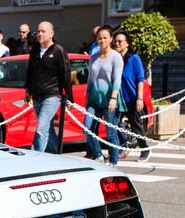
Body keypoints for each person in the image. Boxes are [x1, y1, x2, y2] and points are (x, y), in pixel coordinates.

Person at [24, 21, 74, 154]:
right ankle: (55, 154)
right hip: (37, 97)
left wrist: (69, 97)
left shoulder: (59, 51)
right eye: (38, 31)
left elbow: (66, 75)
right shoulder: (34, 50)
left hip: (52, 96)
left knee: (41, 128)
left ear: (51, 34)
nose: (40, 34)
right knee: (48, 128)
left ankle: (36, 157)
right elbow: (30, 71)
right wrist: (27, 89)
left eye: (43, 31)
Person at [83, 25, 125, 166]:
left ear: (111, 39)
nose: (102, 41)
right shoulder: (93, 57)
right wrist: (87, 96)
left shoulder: (116, 57)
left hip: (110, 99)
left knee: (111, 132)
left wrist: (113, 98)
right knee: (87, 127)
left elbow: (117, 79)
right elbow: (90, 79)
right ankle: (99, 155)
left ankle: (113, 161)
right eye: (99, 38)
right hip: (95, 98)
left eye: (105, 38)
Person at [113, 31, 150, 162]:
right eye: (115, 41)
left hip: (131, 98)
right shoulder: (115, 58)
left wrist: (139, 98)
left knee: (136, 126)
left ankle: (144, 149)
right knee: (115, 124)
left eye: (120, 41)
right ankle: (122, 147)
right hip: (118, 98)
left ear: (127, 43)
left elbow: (140, 78)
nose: (117, 43)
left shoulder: (134, 58)